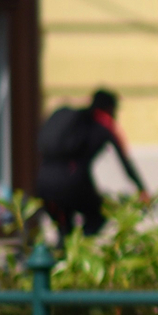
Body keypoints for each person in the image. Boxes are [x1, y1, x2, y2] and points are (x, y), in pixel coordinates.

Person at [36, 89, 148, 239]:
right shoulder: (103, 124)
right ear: (110, 108)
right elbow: (125, 162)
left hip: (44, 182)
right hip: (72, 183)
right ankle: (81, 246)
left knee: (64, 235)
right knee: (101, 213)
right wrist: (142, 189)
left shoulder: (72, 121)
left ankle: (68, 250)